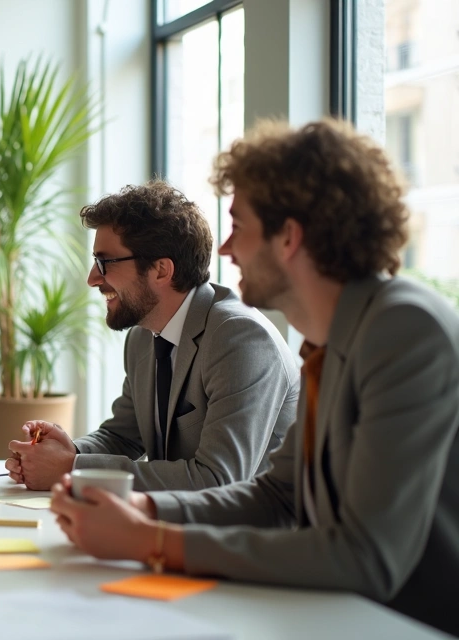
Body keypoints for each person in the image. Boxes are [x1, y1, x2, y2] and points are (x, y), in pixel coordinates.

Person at [49, 119, 459, 637]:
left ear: (289, 236)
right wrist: (141, 506)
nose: (224, 250)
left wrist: (149, 541)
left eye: (239, 225)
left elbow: (366, 556)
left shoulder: (404, 329)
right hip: (327, 613)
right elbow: (276, 497)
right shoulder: (332, 339)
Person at [6, 181, 298, 492]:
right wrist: (65, 452)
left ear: (161, 270)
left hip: (250, 535)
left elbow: (218, 480)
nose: (92, 279)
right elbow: (123, 437)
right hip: (179, 526)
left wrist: (72, 469)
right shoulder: (143, 336)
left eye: (104, 262)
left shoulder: (239, 337)